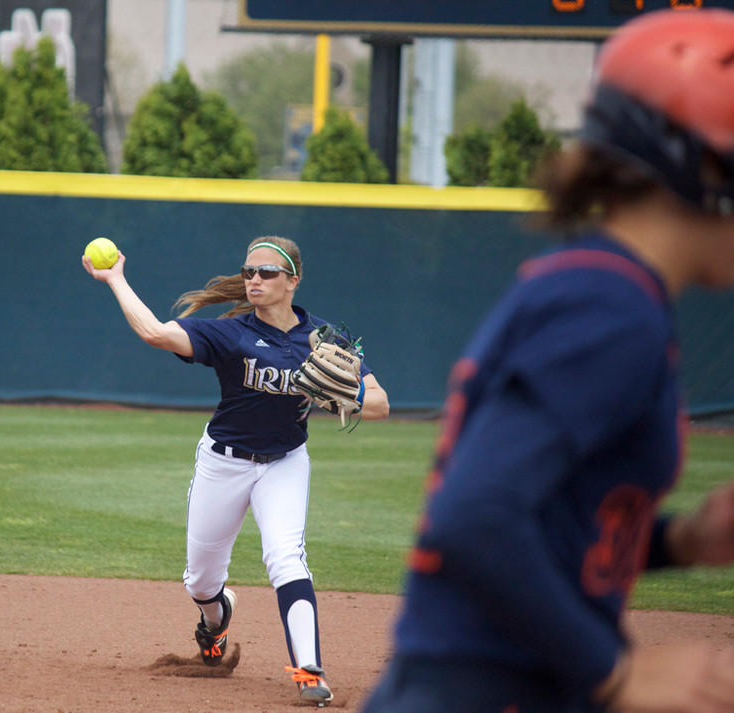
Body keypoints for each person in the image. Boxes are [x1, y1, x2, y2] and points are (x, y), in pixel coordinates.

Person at [360, 9, 734, 713]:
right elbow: (476, 516)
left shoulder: (598, 285)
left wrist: (682, 539)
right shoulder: (610, 308)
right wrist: (617, 673)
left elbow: (549, 525)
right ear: (702, 165)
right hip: (487, 691)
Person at [83, 236, 389, 705]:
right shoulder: (230, 334)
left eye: (266, 272)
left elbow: (381, 405)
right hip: (222, 463)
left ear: (293, 280)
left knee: (287, 557)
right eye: (249, 272)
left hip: (284, 463)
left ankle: (309, 669)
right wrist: (116, 280)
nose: (255, 280)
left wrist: (345, 395)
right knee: (202, 581)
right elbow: (156, 333)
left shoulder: (324, 339)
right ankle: (217, 618)